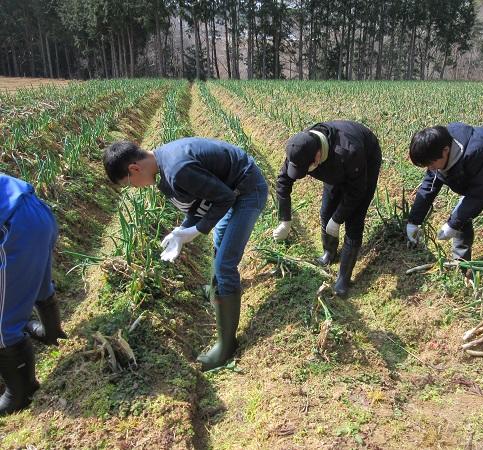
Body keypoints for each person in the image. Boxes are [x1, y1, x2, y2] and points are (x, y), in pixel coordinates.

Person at [103, 138, 268, 371]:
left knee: (225, 265)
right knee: (219, 243)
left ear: (134, 169)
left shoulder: (178, 169)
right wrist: (181, 231)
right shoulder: (164, 169)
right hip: (229, 190)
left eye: (131, 184)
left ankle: (226, 345)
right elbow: (199, 204)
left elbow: (225, 199)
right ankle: (215, 291)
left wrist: (195, 231)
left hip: (247, 191)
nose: (137, 188)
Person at [405, 123, 483, 304]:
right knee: (460, 216)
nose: (431, 168)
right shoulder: (437, 150)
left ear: (445, 151)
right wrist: (414, 221)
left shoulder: (477, 151)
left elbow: (478, 194)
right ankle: (463, 267)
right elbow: (429, 186)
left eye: (431, 164)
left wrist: (452, 224)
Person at [273, 120, 382, 298]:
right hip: (335, 167)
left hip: (364, 162)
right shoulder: (300, 148)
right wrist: (285, 220)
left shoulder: (348, 151)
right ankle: (329, 253)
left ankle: (343, 278)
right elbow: (283, 182)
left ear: (317, 157)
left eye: (305, 170)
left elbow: (357, 192)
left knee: (354, 221)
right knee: (326, 211)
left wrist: (338, 218)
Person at [0, 173, 66, 416]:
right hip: (34, 210)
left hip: (12, 226)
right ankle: (52, 333)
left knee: (2, 325)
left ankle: (20, 393)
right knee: (38, 282)